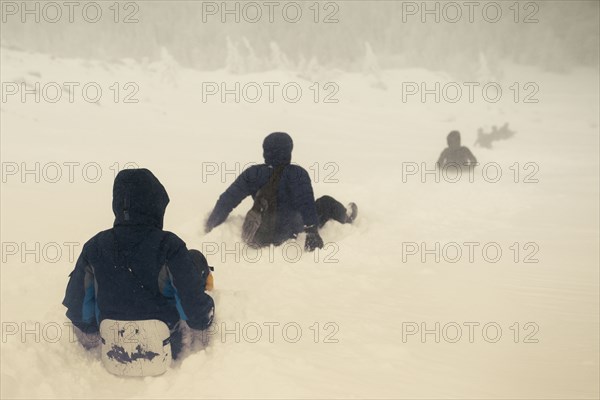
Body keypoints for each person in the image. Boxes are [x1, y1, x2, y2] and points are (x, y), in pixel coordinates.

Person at [63, 168, 214, 375]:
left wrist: (92, 327)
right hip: (166, 344)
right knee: (194, 259)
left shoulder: (95, 246)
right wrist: (205, 312)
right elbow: (196, 314)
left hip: (112, 345)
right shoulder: (169, 245)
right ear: (155, 205)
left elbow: (78, 309)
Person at [205, 132, 358, 251]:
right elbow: (306, 204)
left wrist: (211, 224)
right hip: (289, 233)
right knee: (325, 202)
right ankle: (346, 217)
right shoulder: (297, 174)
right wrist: (312, 232)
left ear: (265, 152)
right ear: (289, 151)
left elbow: (228, 199)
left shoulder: (253, 173)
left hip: (260, 233)